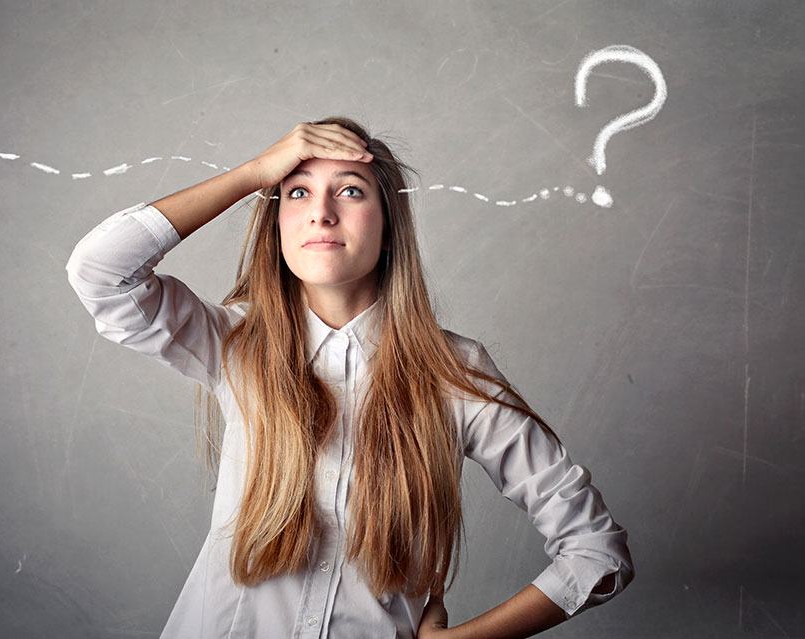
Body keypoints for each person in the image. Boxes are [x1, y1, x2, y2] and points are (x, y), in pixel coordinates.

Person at [65, 117, 634, 638]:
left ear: (389, 230)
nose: (321, 212)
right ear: (278, 225)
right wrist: (254, 172)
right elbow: (101, 272)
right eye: (297, 191)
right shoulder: (233, 343)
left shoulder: (455, 373)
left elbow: (597, 553)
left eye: (351, 190)